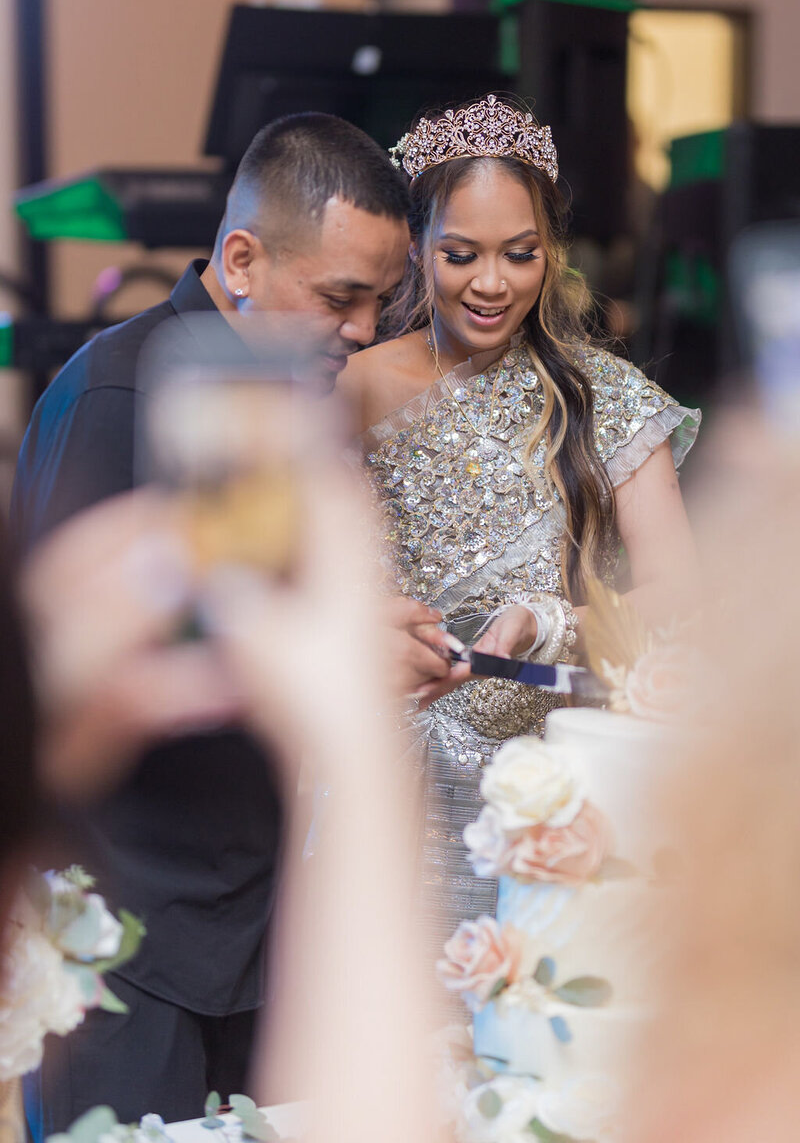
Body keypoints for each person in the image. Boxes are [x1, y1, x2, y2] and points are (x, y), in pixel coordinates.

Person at [10, 112, 454, 1136]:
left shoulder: (273, 400)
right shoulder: (124, 389)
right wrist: (328, 665)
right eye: (337, 298)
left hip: (249, 913)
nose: (357, 331)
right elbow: (81, 666)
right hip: (130, 924)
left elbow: (236, 604)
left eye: (377, 304)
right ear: (242, 258)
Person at [339, 93, 702, 942]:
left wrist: (549, 622)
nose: (492, 283)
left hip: (539, 794)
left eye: (521, 254)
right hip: (373, 783)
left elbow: (681, 594)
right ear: (415, 247)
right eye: (461, 255)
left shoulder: (603, 397)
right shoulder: (346, 391)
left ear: (554, 254)